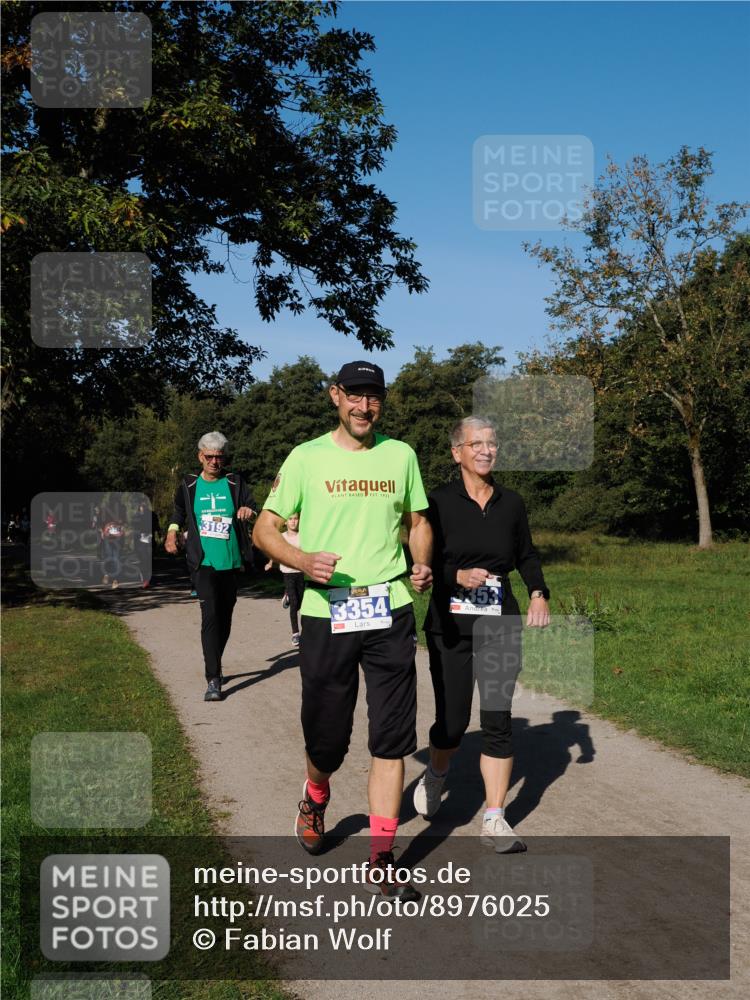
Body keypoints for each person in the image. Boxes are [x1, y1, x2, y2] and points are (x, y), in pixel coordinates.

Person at [253, 361, 433, 901]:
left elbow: (418, 522)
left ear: (382, 402)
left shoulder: (401, 455)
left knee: (392, 735)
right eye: (354, 395)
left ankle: (382, 856)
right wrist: (301, 560)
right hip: (326, 611)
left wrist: (421, 561)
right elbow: (265, 528)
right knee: (327, 735)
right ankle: (316, 792)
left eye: (373, 397)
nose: (363, 406)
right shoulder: (305, 457)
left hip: (389, 608)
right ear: (335, 396)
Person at [414, 416, 550, 852]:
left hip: (499, 623)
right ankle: (437, 772)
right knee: (452, 724)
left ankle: (495, 817)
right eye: (477, 444)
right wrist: (454, 575)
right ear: (457, 452)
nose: (486, 450)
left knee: (497, 719)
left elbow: (526, 554)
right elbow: (421, 559)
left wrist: (538, 593)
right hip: (450, 625)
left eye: (492, 443)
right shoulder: (436, 503)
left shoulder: (512, 503)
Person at [165, 432, 256, 702]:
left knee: (225, 617)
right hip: (202, 561)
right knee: (210, 616)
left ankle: (215, 660)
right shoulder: (189, 485)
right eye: (209, 457)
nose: (215, 462)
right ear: (200, 457)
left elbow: (253, 506)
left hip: (231, 560)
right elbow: (178, 511)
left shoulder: (235, 482)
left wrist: (248, 512)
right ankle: (213, 678)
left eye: (219, 457)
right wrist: (172, 531)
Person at [264, 511, 304, 645]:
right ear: (285, 522)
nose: (293, 521)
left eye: (296, 519)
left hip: (301, 572)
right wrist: (270, 563)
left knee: (301, 603)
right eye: (290, 519)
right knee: (294, 603)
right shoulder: (282, 537)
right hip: (288, 573)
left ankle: (286, 594)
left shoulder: (303, 536)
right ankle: (295, 634)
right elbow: (275, 551)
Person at [100, 511, 126, 588]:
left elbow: (123, 523)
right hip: (107, 538)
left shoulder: (120, 510)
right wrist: (102, 531)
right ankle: (106, 575)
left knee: (116, 559)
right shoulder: (106, 512)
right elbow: (101, 523)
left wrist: (122, 528)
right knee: (108, 557)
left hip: (117, 539)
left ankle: (115, 579)